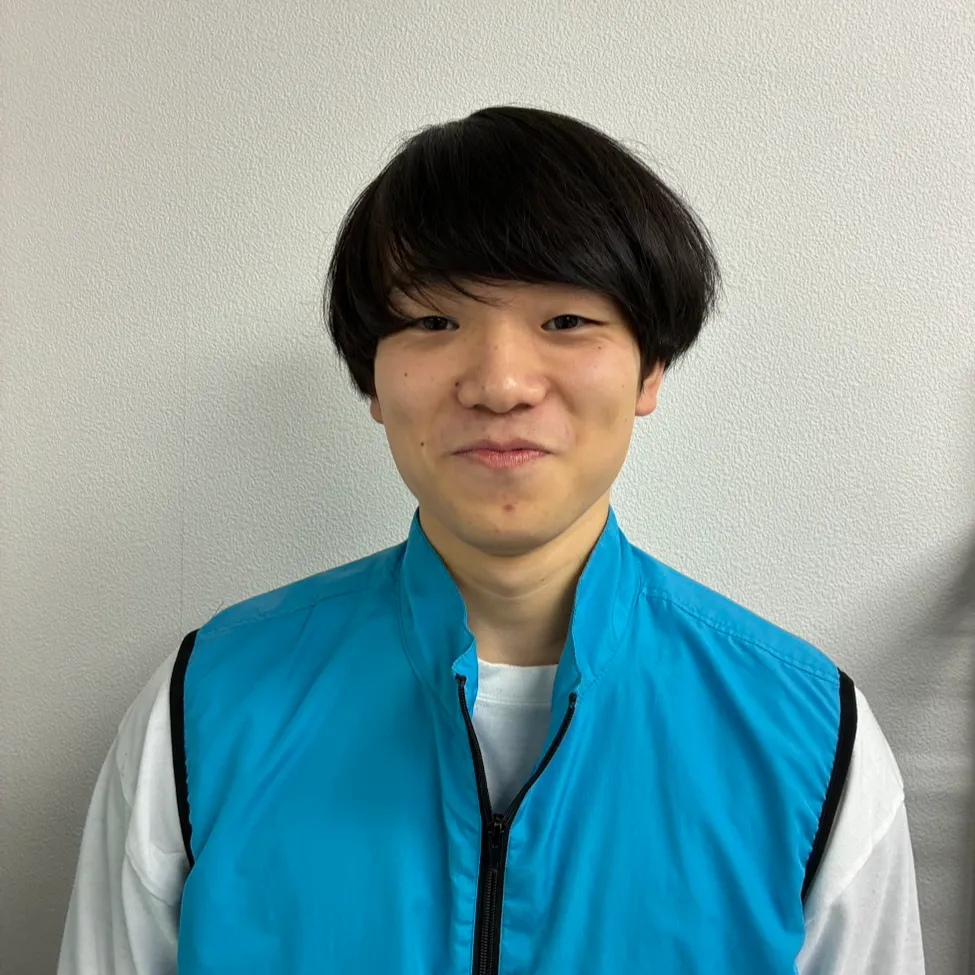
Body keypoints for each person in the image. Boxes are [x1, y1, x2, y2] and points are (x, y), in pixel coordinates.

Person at [58, 105, 925, 974]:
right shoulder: (204, 706)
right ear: (372, 380)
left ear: (650, 367)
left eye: (566, 321)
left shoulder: (810, 738)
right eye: (434, 322)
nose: (501, 383)